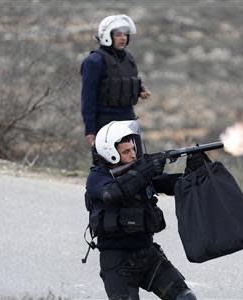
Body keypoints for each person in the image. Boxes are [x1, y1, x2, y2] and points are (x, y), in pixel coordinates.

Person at [84, 120, 198, 300]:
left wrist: (193, 171)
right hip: (117, 263)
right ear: (111, 154)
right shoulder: (97, 177)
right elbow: (111, 194)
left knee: (185, 297)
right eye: (126, 152)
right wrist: (147, 169)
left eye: (133, 149)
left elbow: (172, 183)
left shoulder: (139, 170)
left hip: (148, 256)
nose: (133, 155)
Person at [81, 15, 151, 147]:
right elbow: (87, 98)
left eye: (125, 34)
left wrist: (140, 90)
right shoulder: (94, 61)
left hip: (128, 119)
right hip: (105, 122)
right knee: (108, 165)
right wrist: (90, 130)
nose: (123, 38)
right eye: (118, 34)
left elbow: (125, 80)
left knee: (137, 162)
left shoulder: (128, 58)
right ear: (107, 35)